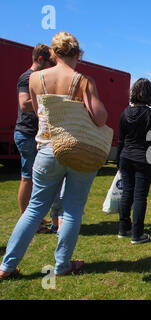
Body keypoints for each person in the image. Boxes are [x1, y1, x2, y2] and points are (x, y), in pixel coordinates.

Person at [0, 31, 108, 279]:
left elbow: (39, 114)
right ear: (78, 53)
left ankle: (6, 266)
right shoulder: (83, 80)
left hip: (48, 148)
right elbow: (100, 118)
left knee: (34, 209)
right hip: (78, 150)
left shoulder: (35, 79)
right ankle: (62, 265)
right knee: (72, 209)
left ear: (53, 53)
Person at [14, 44, 55, 233]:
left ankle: (33, 217)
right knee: (28, 178)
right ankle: (28, 220)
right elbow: (24, 105)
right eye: (49, 63)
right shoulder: (27, 77)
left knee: (35, 178)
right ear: (40, 60)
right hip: (26, 133)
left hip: (35, 134)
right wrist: (47, 99)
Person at [117, 78, 151, 244]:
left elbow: (120, 139)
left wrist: (117, 162)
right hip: (144, 159)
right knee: (139, 196)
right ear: (150, 94)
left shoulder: (125, 112)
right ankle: (137, 234)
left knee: (127, 193)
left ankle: (123, 228)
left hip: (126, 157)